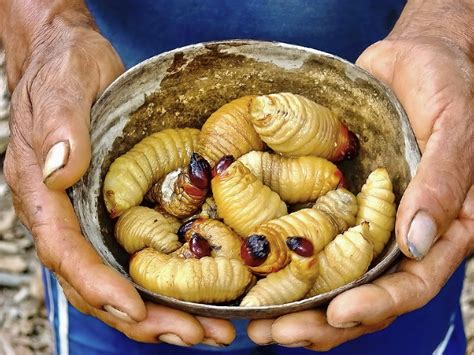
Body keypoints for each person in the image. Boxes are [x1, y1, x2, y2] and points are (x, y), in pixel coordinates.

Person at [1, 0, 473, 354]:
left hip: (403, 88)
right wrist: (46, 28)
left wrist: (450, 25)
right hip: (112, 77)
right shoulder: (209, 197)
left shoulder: (256, 191)